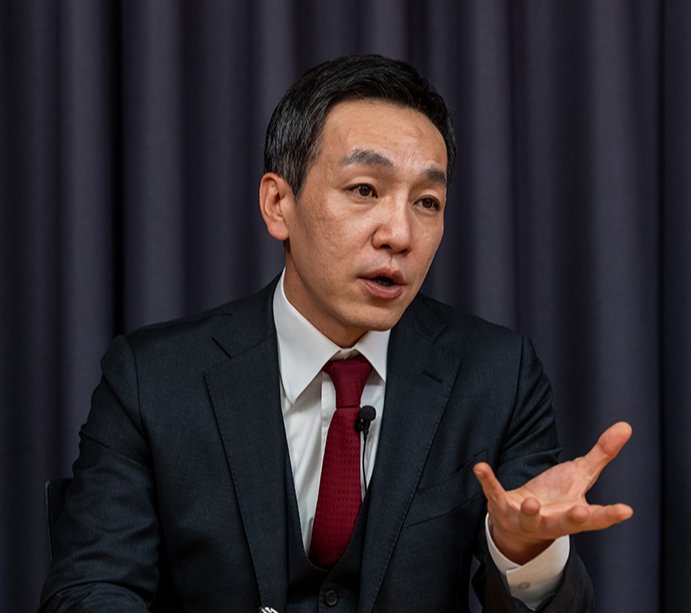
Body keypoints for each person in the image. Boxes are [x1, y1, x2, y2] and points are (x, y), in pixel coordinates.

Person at [39, 54, 632, 612]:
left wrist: (525, 552)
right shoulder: (153, 378)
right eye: (364, 190)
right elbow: (91, 588)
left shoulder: (498, 374)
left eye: (427, 202)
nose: (399, 234)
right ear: (278, 203)